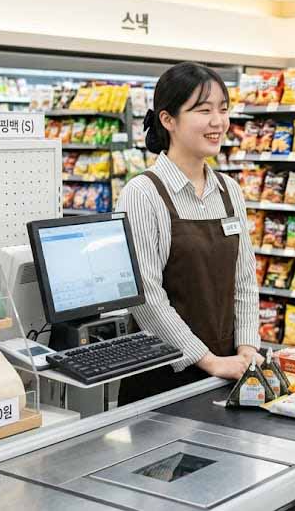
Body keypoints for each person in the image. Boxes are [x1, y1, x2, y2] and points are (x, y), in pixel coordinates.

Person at [116, 62, 261, 406]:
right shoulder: (143, 193)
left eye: (223, 110)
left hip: (229, 371)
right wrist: (208, 360)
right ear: (168, 120)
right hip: (165, 377)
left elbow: (244, 280)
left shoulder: (229, 190)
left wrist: (247, 348)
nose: (218, 122)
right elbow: (147, 297)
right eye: (203, 110)